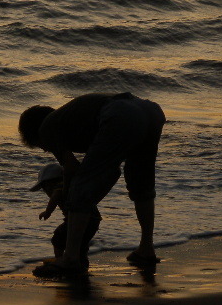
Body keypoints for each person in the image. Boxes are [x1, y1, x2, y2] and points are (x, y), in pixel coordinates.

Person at [18, 92, 165, 277]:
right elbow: (108, 168)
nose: (46, 149)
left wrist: (69, 194)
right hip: (149, 111)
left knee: (80, 187)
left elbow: (71, 167)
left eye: (40, 146)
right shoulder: (69, 118)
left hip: (120, 114)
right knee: (141, 184)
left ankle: (70, 259)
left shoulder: (47, 128)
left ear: (35, 134)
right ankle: (146, 248)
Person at [30, 162, 102, 267]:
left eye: (44, 188)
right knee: (80, 243)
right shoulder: (71, 186)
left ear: (50, 183)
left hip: (81, 219)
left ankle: (60, 260)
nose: (46, 192)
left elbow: (55, 196)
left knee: (58, 237)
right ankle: (81, 263)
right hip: (93, 219)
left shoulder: (60, 186)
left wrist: (48, 211)